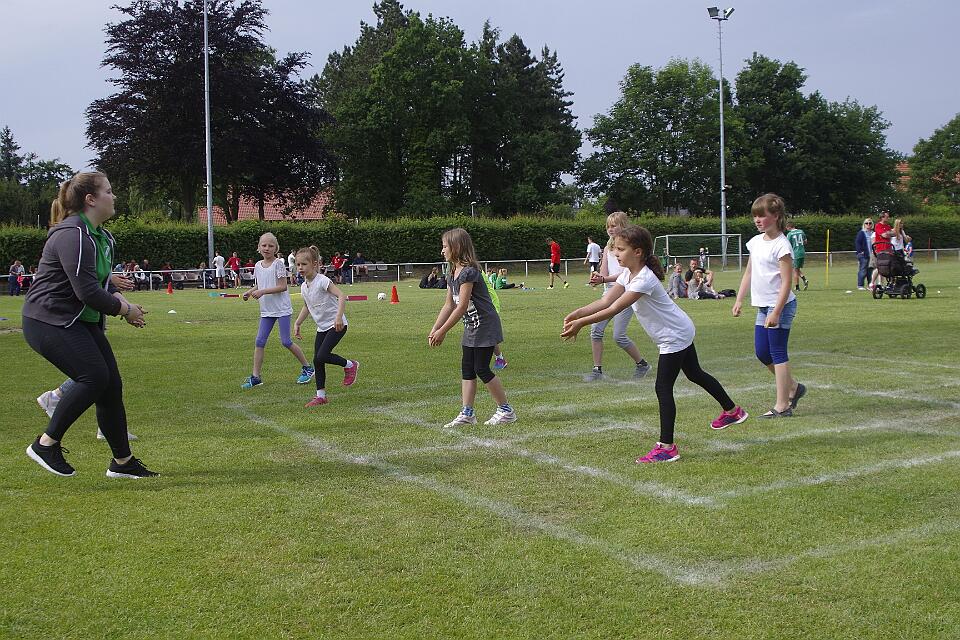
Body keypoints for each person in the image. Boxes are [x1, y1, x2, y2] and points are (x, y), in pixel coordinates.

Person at [562, 225, 747, 464]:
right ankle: (733, 411)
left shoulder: (644, 279)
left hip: (674, 336)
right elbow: (606, 300)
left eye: (620, 249)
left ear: (638, 252)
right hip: (679, 329)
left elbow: (614, 308)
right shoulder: (628, 274)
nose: (615, 253)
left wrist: (581, 323)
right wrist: (577, 313)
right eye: (615, 249)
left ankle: (667, 447)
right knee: (695, 374)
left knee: (663, 387)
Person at [22, 171, 156, 478]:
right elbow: (86, 291)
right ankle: (45, 444)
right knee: (93, 376)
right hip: (48, 320)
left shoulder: (101, 237)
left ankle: (122, 463)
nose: (114, 196)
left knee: (110, 385)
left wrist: (123, 303)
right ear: (90, 199)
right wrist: (125, 309)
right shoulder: (73, 234)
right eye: (108, 191)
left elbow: (100, 283)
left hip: (78, 321)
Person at [429, 228, 516, 427]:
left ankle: (506, 410)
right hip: (472, 326)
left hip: (485, 325)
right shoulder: (452, 272)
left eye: (445, 246)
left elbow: (461, 306)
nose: (442, 250)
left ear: (457, 247)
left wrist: (443, 331)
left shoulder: (469, 272)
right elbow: (448, 305)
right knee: (467, 368)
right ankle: (467, 413)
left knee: (481, 368)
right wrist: (435, 328)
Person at [732, 193, 805, 418]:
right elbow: (749, 273)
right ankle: (794, 387)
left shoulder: (782, 245)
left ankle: (783, 405)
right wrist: (739, 299)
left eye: (762, 215)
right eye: (755, 216)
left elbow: (786, 283)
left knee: (777, 352)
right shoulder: (755, 242)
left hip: (780, 306)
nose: (757, 220)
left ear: (776, 216)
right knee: (762, 352)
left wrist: (776, 311)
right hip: (763, 307)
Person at [241, 232, 314, 389]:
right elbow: (260, 284)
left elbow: (282, 286)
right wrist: (250, 291)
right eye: (264, 245)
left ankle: (308, 368)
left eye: (271, 246)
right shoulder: (257, 265)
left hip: (281, 309)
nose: (267, 248)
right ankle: (256, 377)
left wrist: (262, 292)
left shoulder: (278, 264)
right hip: (267, 310)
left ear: (276, 248)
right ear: (259, 247)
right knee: (259, 341)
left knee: (286, 341)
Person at [584, 211, 651, 382]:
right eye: (608, 226)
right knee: (596, 330)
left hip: (626, 294)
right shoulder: (607, 248)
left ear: (623, 226)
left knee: (618, 336)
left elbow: (626, 273)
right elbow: (604, 272)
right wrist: (598, 278)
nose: (610, 229)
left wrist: (604, 279)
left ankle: (642, 364)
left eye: (614, 225)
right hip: (609, 293)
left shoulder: (629, 248)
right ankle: (597, 370)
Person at [293, 246, 359, 407]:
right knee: (317, 360)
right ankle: (320, 396)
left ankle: (350, 365)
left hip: (337, 325)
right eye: (298, 264)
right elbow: (307, 306)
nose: (300, 267)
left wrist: (338, 317)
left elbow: (341, 295)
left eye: (304, 264)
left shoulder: (322, 280)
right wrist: (297, 323)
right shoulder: (303, 286)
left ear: (314, 264)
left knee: (322, 356)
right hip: (322, 327)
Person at [870, 211, 894, 290]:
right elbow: (884, 235)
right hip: (881, 249)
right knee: (880, 266)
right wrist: (889, 233)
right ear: (882, 217)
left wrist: (888, 233)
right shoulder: (878, 225)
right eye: (887, 217)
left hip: (888, 249)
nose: (888, 218)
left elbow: (892, 234)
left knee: (889, 266)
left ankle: (888, 284)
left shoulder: (888, 226)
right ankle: (872, 283)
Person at [785, 221, 809, 291]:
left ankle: (797, 287)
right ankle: (804, 279)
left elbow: (787, 245)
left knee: (795, 270)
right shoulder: (801, 231)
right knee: (797, 269)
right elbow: (805, 241)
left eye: (786, 227)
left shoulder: (790, 234)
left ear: (789, 227)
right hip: (802, 252)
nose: (786, 229)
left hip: (795, 253)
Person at [855, 218, 873, 290]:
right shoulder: (861, 233)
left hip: (871, 255)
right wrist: (860, 251)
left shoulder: (873, 233)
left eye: (870, 223)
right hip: (863, 255)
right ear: (864, 224)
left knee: (870, 271)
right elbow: (857, 243)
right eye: (866, 223)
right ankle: (860, 285)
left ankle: (870, 285)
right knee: (863, 270)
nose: (868, 224)